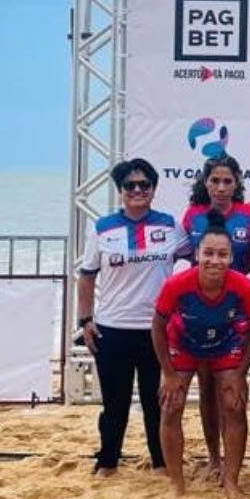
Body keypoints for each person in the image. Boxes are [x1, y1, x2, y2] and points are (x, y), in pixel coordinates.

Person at [75, 158, 189, 477]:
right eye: (130, 185)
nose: (137, 190)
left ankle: (161, 462)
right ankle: (108, 461)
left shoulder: (170, 226)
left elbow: (198, 262)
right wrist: (85, 321)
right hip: (112, 329)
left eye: (144, 185)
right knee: (115, 404)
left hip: (157, 331)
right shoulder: (102, 228)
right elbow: (86, 277)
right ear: (120, 191)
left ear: (154, 189)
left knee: (158, 403)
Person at [150, 212, 250, 498]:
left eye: (222, 254)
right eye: (208, 253)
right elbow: (158, 327)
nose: (215, 260)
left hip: (224, 345)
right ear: (197, 254)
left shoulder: (244, 286)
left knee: (235, 404)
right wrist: (170, 373)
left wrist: (240, 374)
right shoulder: (176, 284)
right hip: (184, 344)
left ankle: (232, 480)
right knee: (171, 405)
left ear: (231, 257)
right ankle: (177, 483)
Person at [180, 154, 250, 478]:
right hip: (202, 311)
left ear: (237, 184)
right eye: (215, 180)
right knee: (206, 387)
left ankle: (233, 461)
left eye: (228, 181)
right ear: (205, 183)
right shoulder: (193, 216)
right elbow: (188, 258)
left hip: (237, 309)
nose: (221, 187)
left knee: (231, 385)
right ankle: (214, 457)